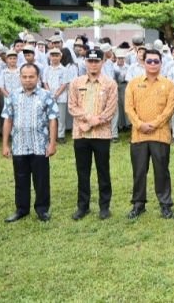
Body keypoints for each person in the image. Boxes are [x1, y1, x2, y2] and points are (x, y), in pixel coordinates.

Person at [123, 49, 174, 220]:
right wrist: (140, 124)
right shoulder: (133, 84)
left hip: (160, 135)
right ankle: (138, 204)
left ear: (161, 63)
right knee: (139, 171)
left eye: (156, 61)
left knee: (161, 171)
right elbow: (128, 107)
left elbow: (170, 109)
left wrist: (154, 124)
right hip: (138, 135)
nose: (152, 64)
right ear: (143, 63)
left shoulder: (169, 84)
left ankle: (165, 204)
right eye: (149, 61)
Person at [1, 64, 58, 222]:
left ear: (38, 77)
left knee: (41, 180)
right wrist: (5, 144)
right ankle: (21, 209)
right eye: (24, 76)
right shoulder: (12, 95)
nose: (28, 80)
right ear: (20, 77)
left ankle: (42, 210)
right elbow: (8, 120)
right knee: (20, 179)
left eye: (31, 76)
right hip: (19, 145)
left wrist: (52, 143)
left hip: (40, 146)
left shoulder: (46, 95)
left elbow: (53, 120)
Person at [67, 47, 118, 221]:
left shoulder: (110, 84)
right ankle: (83, 207)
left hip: (101, 135)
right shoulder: (76, 83)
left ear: (102, 62)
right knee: (83, 172)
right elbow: (72, 106)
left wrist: (95, 122)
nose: (93, 64)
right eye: (90, 61)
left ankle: (104, 207)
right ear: (85, 62)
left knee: (103, 171)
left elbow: (111, 109)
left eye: (97, 61)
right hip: (81, 134)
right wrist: (88, 119)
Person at [43, 48, 72, 144]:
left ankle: (61, 135)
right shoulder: (47, 69)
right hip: (49, 97)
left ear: (60, 57)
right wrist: (49, 93)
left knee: (61, 117)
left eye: (57, 56)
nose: (54, 58)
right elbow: (45, 82)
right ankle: (51, 135)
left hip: (61, 97)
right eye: (53, 56)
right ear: (50, 57)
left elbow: (64, 84)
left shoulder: (64, 69)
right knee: (50, 117)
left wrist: (56, 94)